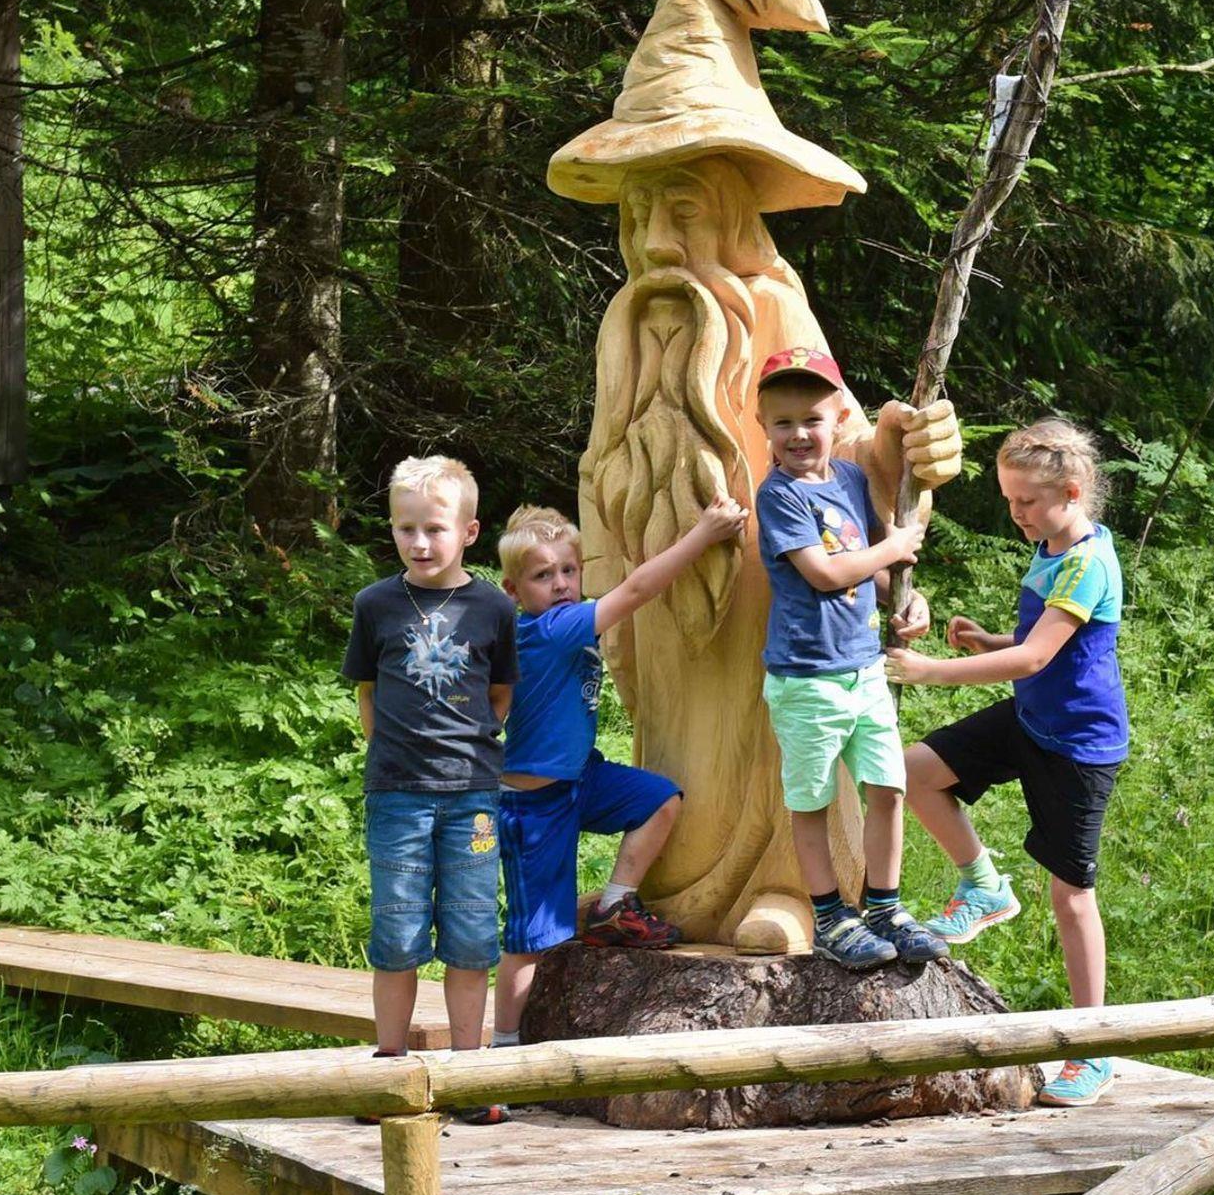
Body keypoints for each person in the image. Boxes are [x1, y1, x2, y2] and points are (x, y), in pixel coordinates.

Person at [884, 418, 1130, 1107]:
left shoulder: (1087, 562)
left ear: (1072, 492)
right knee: (913, 772)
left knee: (1071, 896)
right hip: (1030, 718)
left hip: (1077, 744)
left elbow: (1036, 657)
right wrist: (988, 639)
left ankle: (1093, 1049)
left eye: (1027, 501)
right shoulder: (1053, 546)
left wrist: (931, 672)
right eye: (1009, 499)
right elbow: (1035, 641)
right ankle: (985, 887)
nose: (1015, 513)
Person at [490, 494, 750, 1045]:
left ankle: (615, 905)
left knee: (658, 799)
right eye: (542, 576)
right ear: (513, 590)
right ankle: (503, 1044)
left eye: (569, 570)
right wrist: (703, 534)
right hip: (534, 805)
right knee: (532, 938)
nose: (561, 584)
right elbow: (635, 591)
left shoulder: (564, 621)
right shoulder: (549, 629)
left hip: (581, 779)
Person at [754, 346, 951, 971]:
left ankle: (884, 906)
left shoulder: (848, 480)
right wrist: (894, 547)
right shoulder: (779, 496)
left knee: (888, 788)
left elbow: (872, 570)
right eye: (783, 422)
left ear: (839, 418)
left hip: (865, 668)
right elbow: (824, 572)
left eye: (811, 419)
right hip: (807, 678)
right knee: (811, 800)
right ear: (763, 427)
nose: (798, 434)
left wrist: (907, 601)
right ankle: (831, 915)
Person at [342, 455, 518, 1122]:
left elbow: (500, 693)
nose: (420, 542)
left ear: (468, 531)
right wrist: (393, 756)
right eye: (406, 528)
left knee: (472, 932)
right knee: (397, 929)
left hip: (473, 796)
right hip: (397, 795)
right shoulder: (375, 604)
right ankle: (390, 1070)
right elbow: (368, 691)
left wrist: (467, 748)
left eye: (435, 529)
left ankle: (468, 1076)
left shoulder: (494, 607)